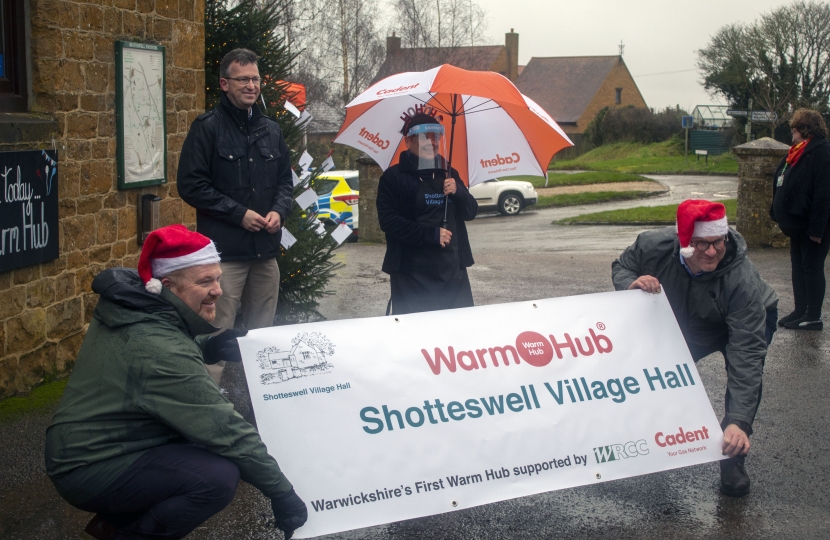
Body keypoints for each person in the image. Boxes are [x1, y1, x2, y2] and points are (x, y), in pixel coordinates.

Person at [44, 225, 307, 540]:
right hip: (90, 466)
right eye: (205, 281)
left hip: (98, 444)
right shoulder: (160, 350)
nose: (218, 291)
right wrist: (281, 492)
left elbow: (151, 358)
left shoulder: (139, 309)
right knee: (215, 477)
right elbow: (225, 429)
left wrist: (209, 346)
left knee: (199, 447)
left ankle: (120, 522)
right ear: (167, 285)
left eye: (218, 278)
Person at [612, 200, 778, 497]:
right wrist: (631, 284)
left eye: (718, 242)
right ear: (686, 242)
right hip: (689, 319)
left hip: (746, 318)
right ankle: (661, 440)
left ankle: (733, 455)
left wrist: (740, 420)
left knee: (742, 374)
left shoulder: (741, 280)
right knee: (661, 372)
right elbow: (623, 266)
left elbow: (746, 354)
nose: (712, 252)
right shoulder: (652, 245)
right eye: (702, 244)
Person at [178, 48, 293, 385]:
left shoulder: (271, 130)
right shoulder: (207, 128)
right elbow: (191, 185)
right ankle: (206, 411)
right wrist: (238, 214)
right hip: (224, 258)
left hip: (265, 254)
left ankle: (266, 406)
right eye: (243, 79)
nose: (251, 85)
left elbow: (285, 181)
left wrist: (279, 211)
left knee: (263, 341)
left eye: (255, 79)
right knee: (216, 335)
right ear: (225, 83)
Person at [376, 112, 478, 314]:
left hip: (451, 272)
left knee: (457, 333)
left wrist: (458, 191)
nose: (431, 142)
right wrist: (430, 235)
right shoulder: (393, 178)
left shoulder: (449, 173)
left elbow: (471, 212)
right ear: (408, 141)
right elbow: (389, 221)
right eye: (424, 137)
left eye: (436, 137)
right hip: (412, 274)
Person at [770, 108, 830, 331]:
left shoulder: (821, 151)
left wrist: (817, 228)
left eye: (795, 129)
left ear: (805, 129)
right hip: (797, 225)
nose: (792, 134)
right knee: (798, 266)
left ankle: (813, 316)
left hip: (812, 226)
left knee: (812, 267)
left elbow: (824, 193)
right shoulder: (797, 151)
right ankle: (800, 310)